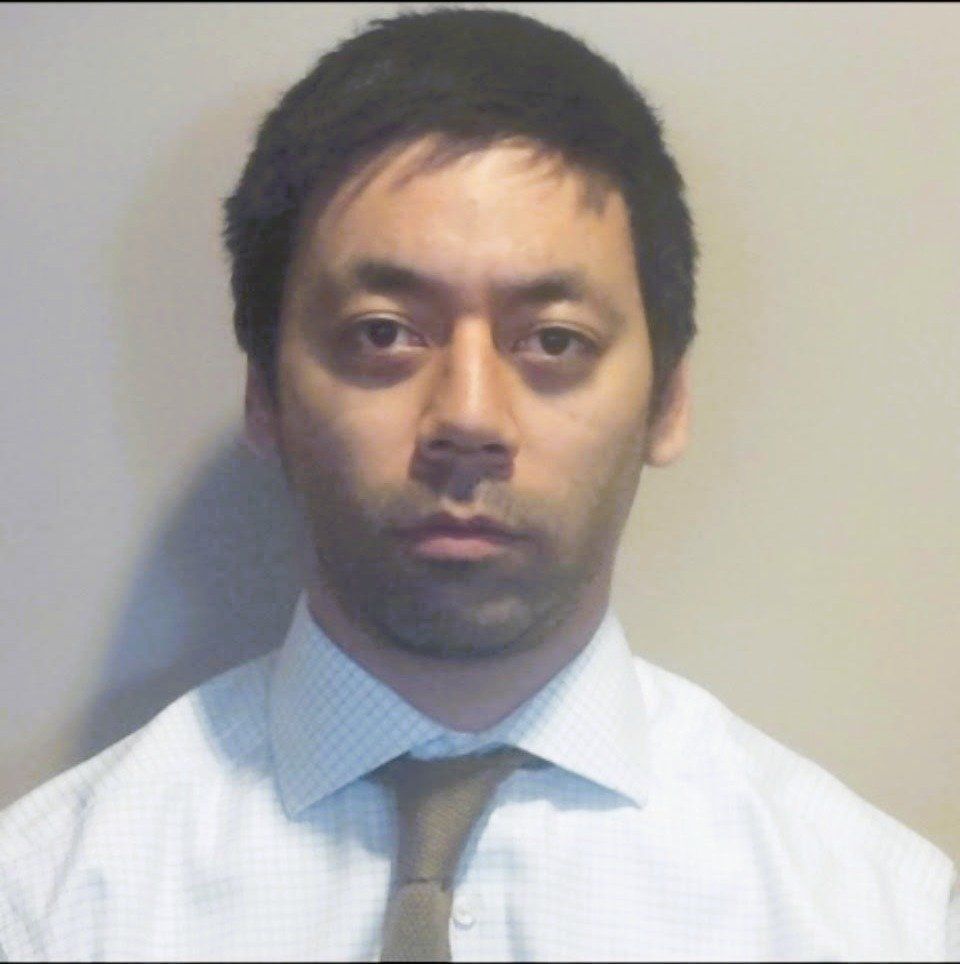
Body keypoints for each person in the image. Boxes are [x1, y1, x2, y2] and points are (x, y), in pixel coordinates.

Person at [0, 7, 956, 961]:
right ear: (266, 395)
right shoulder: (47, 908)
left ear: (666, 400)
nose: (468, 418)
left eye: (554, 341)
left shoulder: (882, 921)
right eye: (383, 333)